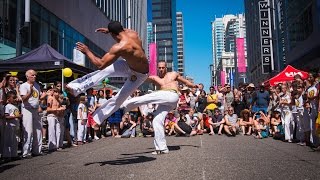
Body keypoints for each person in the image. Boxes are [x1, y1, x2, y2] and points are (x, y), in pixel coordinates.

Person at [66, 21, 149, 129]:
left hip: (140, 75)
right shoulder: (133, 33)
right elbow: (120, 30)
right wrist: (109, 30)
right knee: (105, 72)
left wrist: (87, 51)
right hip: (129, 65)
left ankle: (97, 119)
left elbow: (100, 64)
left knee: (120, 97)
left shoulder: (120, 47)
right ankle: (76, 87)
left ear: (114, 34)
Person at [121, 61, 198, 155]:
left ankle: (124, 105)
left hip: (172, 95)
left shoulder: (173, 74)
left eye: (163, 67)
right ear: (157, 68)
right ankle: (162, 148)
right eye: (159, 68)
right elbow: (143, 78)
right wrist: (133, 75)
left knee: (148, 97)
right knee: (156, 121)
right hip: (165, 101)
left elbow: (185, 82)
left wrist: (193, 85)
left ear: (166, 68)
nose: (161, 69)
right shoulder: (155, 78)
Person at [19, 70, 44, 158]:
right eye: (32, 75)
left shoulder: (37, 85)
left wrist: (44, 96)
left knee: (38, 130)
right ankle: (26, 152)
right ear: (27, 76)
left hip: (35, 109)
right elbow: (24, 99)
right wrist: (30, 91)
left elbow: (38, 97)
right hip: (27, 109)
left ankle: (37, 150)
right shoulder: (24, 86)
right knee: (28, 131)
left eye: (35, 75)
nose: (34, 77)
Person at [3, 91, 21, 160]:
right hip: (10, 125)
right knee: (8, 140)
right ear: (8, 98)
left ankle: (14, 154)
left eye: (15, 97)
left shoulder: (15, 106)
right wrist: (15, 117)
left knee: (15, 140)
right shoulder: (8, 106)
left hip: (16, 125)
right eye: (13, 98)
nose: (15, 99)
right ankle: (7, 155)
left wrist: (19, 116)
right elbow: (6, 117)